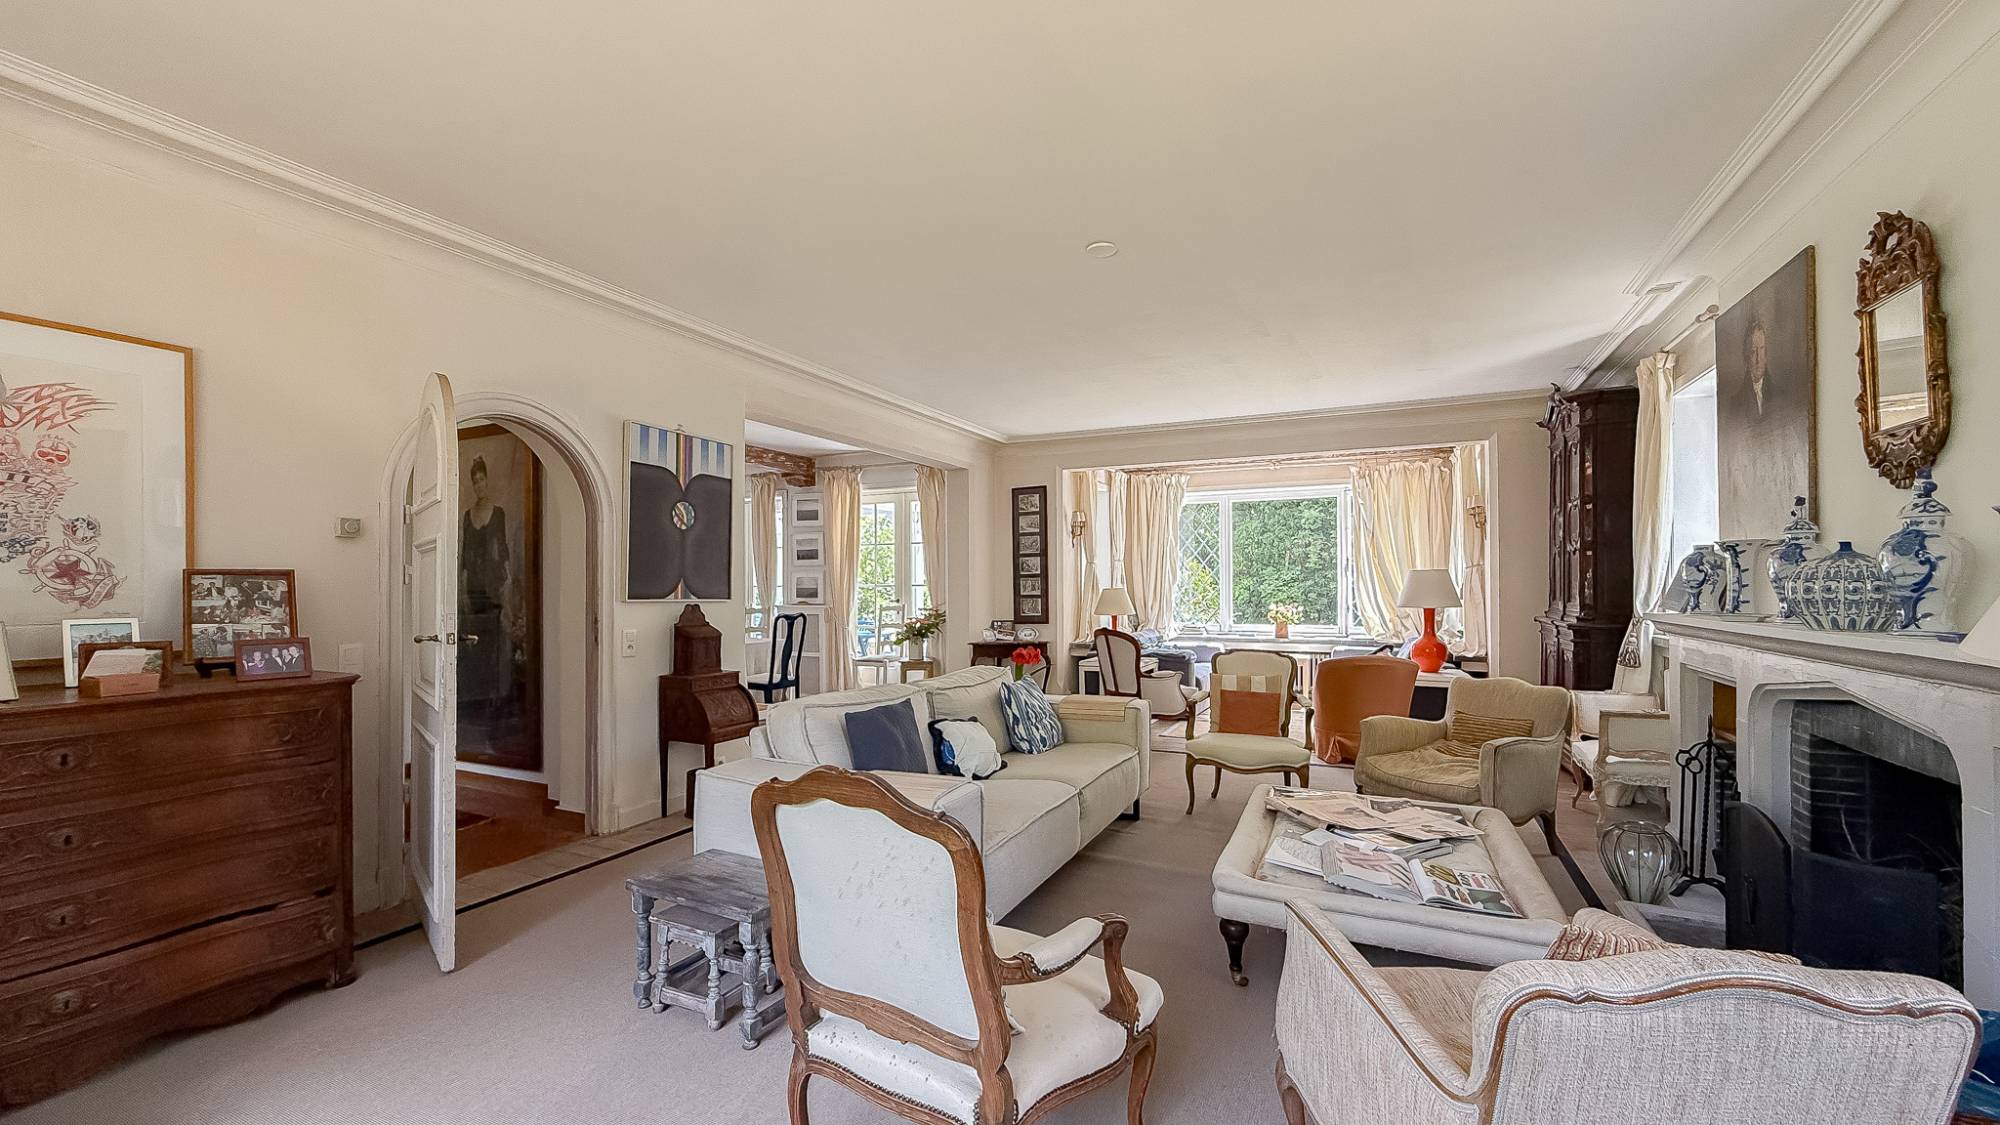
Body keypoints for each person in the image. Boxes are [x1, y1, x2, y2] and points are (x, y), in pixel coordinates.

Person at [458, 455, 511, 709]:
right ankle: (476, 696)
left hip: (494, 587)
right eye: (475, 481)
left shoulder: (498, 513)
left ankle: (494, 697)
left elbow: (503, 550)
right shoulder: (467, 516)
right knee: (474, 640)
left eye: (482, 479)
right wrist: (463, 591)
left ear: (487, 480)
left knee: (494, 642)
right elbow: (464, 556)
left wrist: (507, 585)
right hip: (473, 587)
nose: (479, 485)